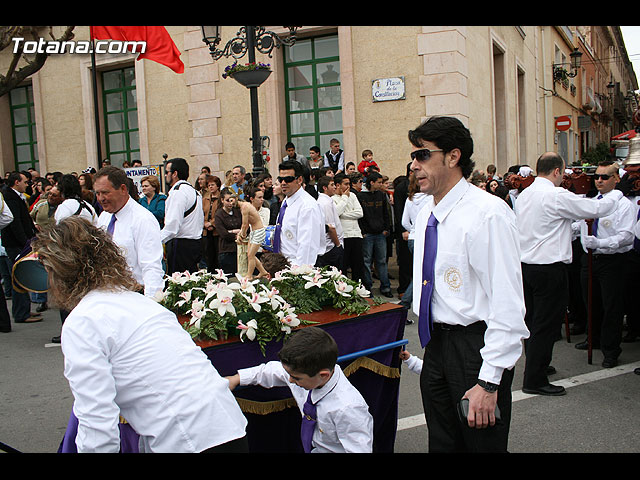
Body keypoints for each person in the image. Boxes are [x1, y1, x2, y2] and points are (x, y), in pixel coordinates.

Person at [32, 216, 248, 453]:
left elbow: (97, 423)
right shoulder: (140, 303)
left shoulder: (83, 321)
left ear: (59, 273)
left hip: (190, 441)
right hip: (229, 428)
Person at [408, 116, 529, 453]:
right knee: (443, 444)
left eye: (422, 156)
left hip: (475, 348)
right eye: (413, 157)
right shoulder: (424, 212)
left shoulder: (487, 213)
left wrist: (489, 381)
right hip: (436, 346)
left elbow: (507, 305)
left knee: (482, 446)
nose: (414, 165)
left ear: (453, 156)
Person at [516, 153, 626, 393]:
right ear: (556, 171)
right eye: (563, 173)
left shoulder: (525, 195)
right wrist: (618, 191)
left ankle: (537, 366)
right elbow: (597, 208)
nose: (564, 177)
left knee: (534, 322)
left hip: (526, 267)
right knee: (546, 324)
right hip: (548, 268)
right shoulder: (554, 195)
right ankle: (534, 380)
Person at [225, 326, 373, 453]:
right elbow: (272, 371)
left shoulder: (348, 408)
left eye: (296, 378)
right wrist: (237, 379)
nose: (290, 380)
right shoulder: (307, 374)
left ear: (323, 375)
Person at [572, 161, 635, 368]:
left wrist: (600, 243)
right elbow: (579, 225)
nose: (599, 180)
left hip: (611, 260)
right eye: (596, 177)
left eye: (604, 177)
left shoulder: (623, 204)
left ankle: (611, 350)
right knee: (591, 301)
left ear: (616, 179)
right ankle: (594, 338)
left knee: (611, 306)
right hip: (589, 259)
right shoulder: (592, 201)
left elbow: (626, 236)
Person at [94, 166, 165, 299]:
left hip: (134, 296)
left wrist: (152, 303)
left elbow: (152, 267)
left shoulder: (143, 220)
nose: (100, 198)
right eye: (97, 193)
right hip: (107, 295)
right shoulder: (104, 217)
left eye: (105, 192)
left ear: (123, 189)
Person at [1, 172, 40, 324]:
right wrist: (25, 242)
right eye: (25, 181)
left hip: (19, 242)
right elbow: (14, 221)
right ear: (17, 182)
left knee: (21, 276)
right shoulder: (10, 196)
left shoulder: (16, 196)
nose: (27, 184)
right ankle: (21, 313)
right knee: (19, 277)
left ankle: (24, 310)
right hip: (16, 244)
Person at [273, 160, 325, 267]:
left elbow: (308, 245)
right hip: (283, 264)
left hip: (298, 267)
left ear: (299, 180)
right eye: (280, 179)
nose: (283, 183)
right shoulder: (287, 201)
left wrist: (299, 272)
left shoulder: (307, 206)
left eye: (288, 179)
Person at [161, 157, 204, 275]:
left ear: (175, 174)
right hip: (194, 243)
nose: (165, 176)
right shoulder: (194, 191)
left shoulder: (178, 192)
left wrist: (156, 240)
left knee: (178, 285)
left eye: (167, 172)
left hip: (180, 245)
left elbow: (172, 226)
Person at [357, 171, 392, 298]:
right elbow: (360, 216)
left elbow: (386, 213)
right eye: (379, 182)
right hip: (368, 234)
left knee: (382, 261)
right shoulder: (361, 196)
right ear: (371, 182)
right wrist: (363, 232)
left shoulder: (381, 195)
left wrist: (386, 228)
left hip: (380, 233)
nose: (381, 184)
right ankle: (367, 287)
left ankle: (386, 286)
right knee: (366, 261)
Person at [400, 172, 430, 310]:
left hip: (413, 238)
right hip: (425, 237)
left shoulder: (409, 200)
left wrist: (413, 229)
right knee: (423, 272)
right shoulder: (430, 199)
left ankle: (409, 301)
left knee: (420, 270)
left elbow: (404, 221)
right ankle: (406, 301)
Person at [332, 173, 364, 282]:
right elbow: (336, 212)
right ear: (337, 185)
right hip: (344, 236)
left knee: (358, 266)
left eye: (349, 184)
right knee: (343, 266)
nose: (348, 187)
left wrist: (343, 215)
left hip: (356, 234)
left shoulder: (353, 196)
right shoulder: (333, 199)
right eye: (345, 184)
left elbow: (360, 213)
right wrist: (344, 198)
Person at [237, 189, 269, 279]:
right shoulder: (245, 207)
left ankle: (249, 275)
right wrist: (241, 233)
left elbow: (244, 225)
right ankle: (263, 271)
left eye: (262, 197)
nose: (262, 200)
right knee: (250, 254)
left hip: (259, 231)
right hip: (253, 231)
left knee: (251, 255)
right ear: (251, 199)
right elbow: (246, 224)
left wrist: (242, 235)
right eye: (259, 197)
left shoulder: (245, 207)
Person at [315, 175, 344, 270]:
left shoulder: (327, 201)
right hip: (331, 247)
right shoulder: (325, 203)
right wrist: (338, 245)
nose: (335, 187)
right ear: (324, 188)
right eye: (332, 185)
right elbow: (330, 228)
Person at [214, 188, 242, 275]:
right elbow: (223, 234)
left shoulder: (237, 212)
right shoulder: (219, 214)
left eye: (232, 201)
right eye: (227, 201)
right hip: (226, 251)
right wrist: (236, 233)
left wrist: (231, 231)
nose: (230, 203)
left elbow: (245, 227)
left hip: (239, 249)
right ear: (222, 200)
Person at [202, 175, 222, 272]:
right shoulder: (205, 200)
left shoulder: (221, 199)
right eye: (209, 185)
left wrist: (212, 224)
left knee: (217, 254)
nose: (211, 187)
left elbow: (220, 213)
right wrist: (205, 223)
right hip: (206, 231)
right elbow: (201, 213)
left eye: (213, 185)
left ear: (217, 186)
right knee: (208, 254)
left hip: (216, 231)